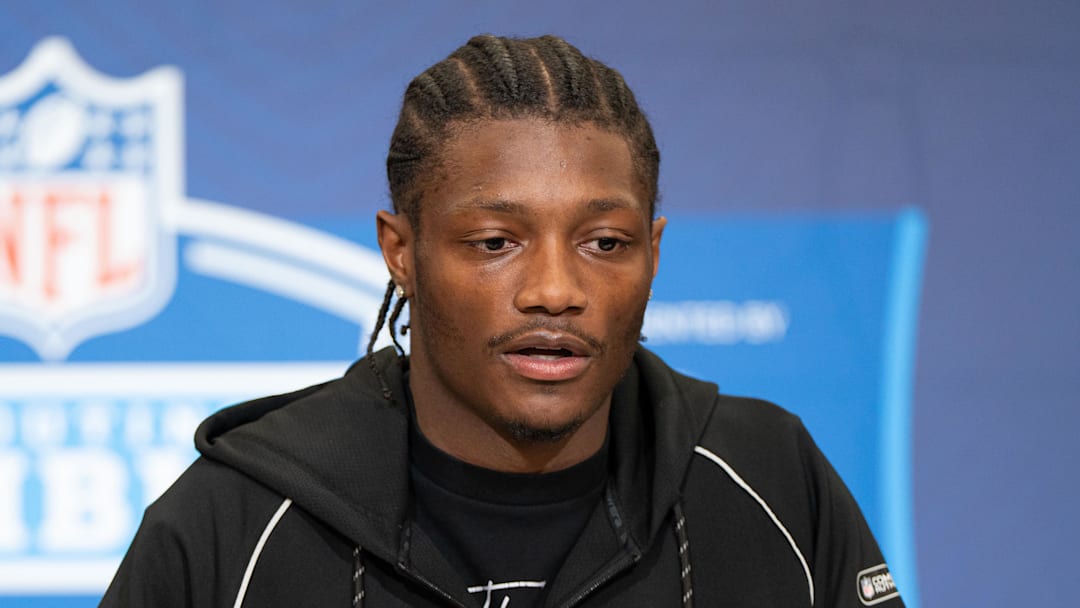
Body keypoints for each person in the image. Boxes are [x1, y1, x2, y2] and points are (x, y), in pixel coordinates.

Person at [101, 34, 904, 608]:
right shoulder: (227, 528)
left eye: (604, 242)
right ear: (401, 251)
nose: (555, 290)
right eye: (494, 242)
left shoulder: (770, 482)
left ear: (653, 254)